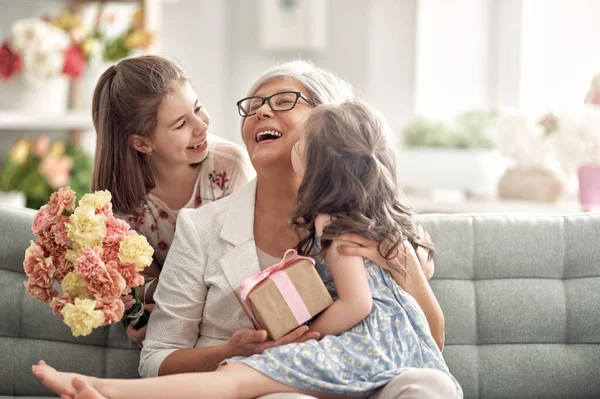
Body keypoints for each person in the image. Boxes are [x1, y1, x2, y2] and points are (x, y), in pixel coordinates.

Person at [34, 61, 450, 399]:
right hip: (273, 385)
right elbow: (157, 356)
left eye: (284, 100)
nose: (261, 110)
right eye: (253, 105)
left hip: (377, 380)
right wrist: (230, 350)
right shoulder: (201, 227)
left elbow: (429, 342)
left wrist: (402, 258)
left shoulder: (368, 217)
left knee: (430, 385)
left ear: (330, 123)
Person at [90, 55, 254, 344]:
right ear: (142, 143)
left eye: (198, 108)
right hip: (185, 317)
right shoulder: (122, 203)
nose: (201, 125)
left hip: (232, 308)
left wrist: (163, 296)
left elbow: (242, 263)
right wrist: (146, 309)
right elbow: (142, 284)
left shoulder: (229, 166)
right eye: (180, 124)